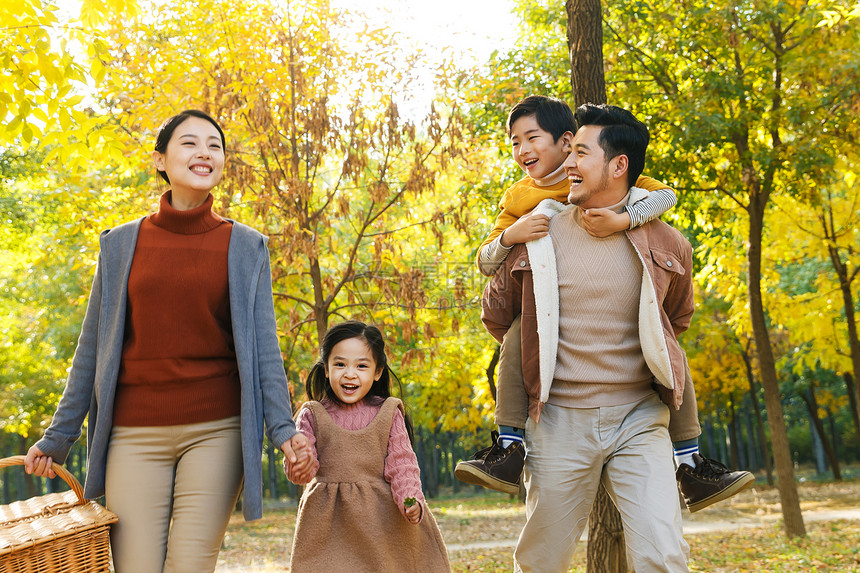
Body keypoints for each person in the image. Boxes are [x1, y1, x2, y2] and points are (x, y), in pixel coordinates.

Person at [23, 109, 309, 573]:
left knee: (189, 567)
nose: (204, 152)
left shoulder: (246, 246)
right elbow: (92, 349)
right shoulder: (120, 244)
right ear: (160, 159)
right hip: (132, 435)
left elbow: (264, 350)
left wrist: (282, 429)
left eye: (214, 145)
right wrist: (59, 437)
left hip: (217, 431)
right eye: (190, 143)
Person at [457, 95, 750, 513]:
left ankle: (690, 460)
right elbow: (487, 265)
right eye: (514, 142)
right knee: (520, 332)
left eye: (532, 138)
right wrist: (512, 235)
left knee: (665, 339)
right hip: (555, 386)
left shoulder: (629, 200)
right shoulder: (520, 200)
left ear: (567, 142)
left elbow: (665, 197)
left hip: (635, 408)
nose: (522, 151)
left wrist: (624, 220)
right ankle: (508, 445)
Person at [285, 321, 451, 572]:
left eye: (361, 366)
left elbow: (402, 463)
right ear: (326, 369)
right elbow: (303, 463)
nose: (350, 374)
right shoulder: (312, 414)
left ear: (377, 371)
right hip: (329, 523)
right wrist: (299, 464)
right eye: (339, 364)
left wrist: (411, 498)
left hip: (382, 521)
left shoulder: (388, 412)